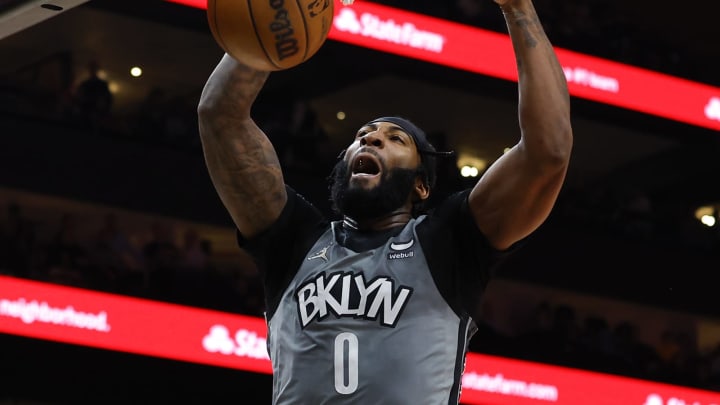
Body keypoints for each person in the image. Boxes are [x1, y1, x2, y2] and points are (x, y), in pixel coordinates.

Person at [197, 0, 572, 403]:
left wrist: (518, 9)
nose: (371, 138)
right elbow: (220, 115)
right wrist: (272, 27)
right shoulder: (294, 241)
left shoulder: (449, 242)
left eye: (395, 139)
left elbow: (547, 151)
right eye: (363, 134)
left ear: (421, 187)